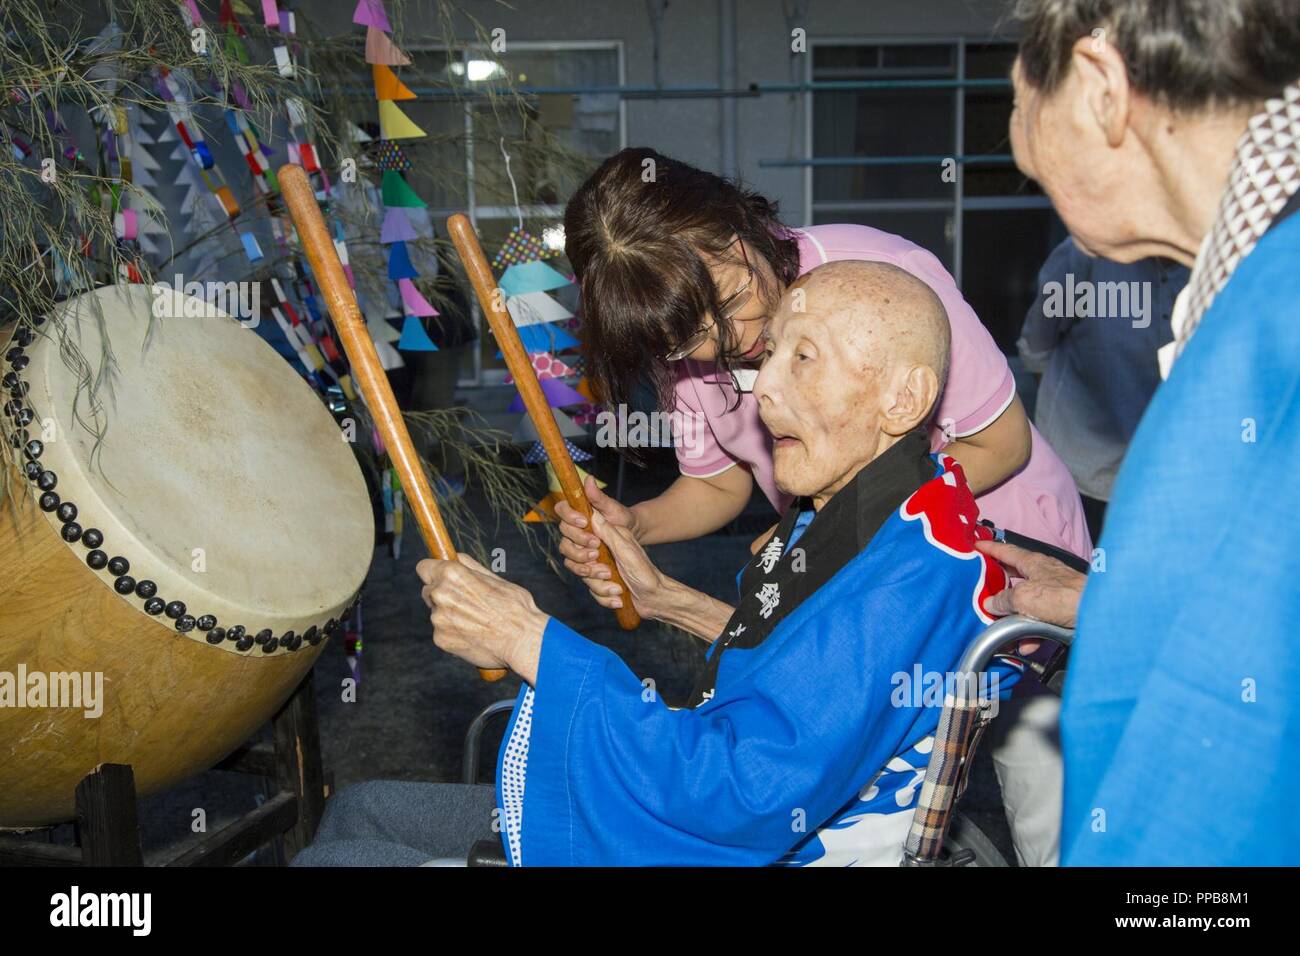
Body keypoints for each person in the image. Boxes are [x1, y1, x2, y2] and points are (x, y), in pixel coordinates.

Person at [296, 261, 1016, 866]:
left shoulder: (908, 573)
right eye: (771, 355)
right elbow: (791, 667)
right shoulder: (869, 514)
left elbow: (746, 793)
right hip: (722, 800)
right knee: (364, 809)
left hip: (747, 838)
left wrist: (529, 640)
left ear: (905, 398)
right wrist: (660, 592)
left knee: (343, 857)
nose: (762, 387)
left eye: (804, 358)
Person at [556, 147, 1089, 866]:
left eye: (732, 304)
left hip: (997, 555)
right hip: (846, 575)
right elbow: (719, 485)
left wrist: (815, 523)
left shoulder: (879, 281)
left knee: (1043, 794)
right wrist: (637, 525)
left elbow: (1001, 443)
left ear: (734, 227)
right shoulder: (680, 336)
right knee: (876, 784)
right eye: (688, 339)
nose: (728, 345)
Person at [980, 0, 1300, 865]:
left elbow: (1227, 765)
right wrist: (1114, 607)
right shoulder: (1253, 291)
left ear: (1100, 87)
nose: (1017, 148)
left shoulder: (1278, 328)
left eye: (1016, 105)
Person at [1019, 239, 1188, 540]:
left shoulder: (1212, 263)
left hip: (1163, 471)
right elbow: (1037, 346)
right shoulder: (1089, 252)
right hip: (1080, 466)